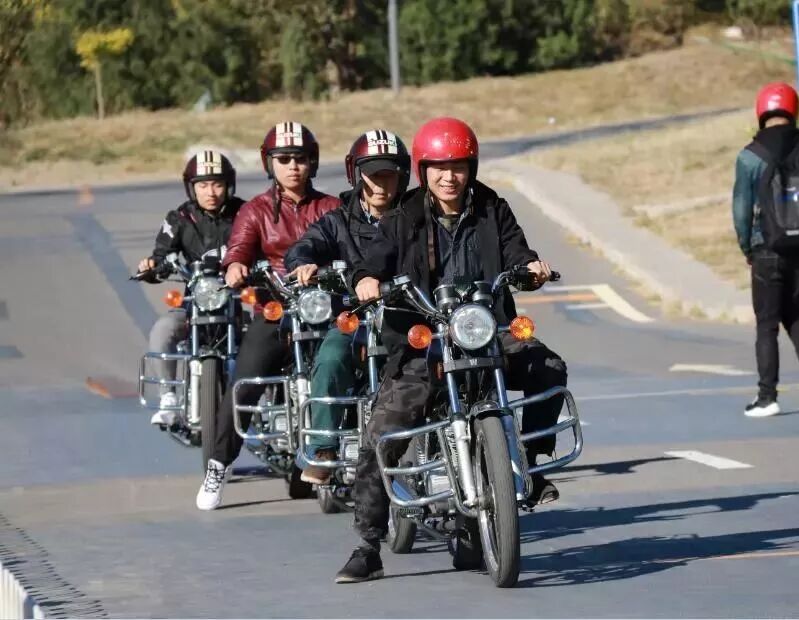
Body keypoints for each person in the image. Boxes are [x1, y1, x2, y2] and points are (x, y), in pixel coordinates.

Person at [334, 117, 567, 584]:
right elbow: (372, 261)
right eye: (439, 167)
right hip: (424, 339)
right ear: (423, 170)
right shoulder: (403, 216)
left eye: (458, 166)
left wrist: (531, 268)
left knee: (549, 367)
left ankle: (531, 463)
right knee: (380, 432)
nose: (449, 177)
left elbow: (516, 252)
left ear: (471, 167)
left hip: (486, 328)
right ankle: (367, 546)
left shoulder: (492, 207)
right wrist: (366, 280)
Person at [196, 122, 340, 511]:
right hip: (275, 310)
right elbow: (239, 248)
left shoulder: (331, 207)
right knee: (243, 384)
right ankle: (218, 465)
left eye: (300, 159)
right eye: (284, 159)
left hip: (323, 311)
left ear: (312, 162)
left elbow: (352, 245)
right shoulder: (255, 210)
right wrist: (235, 267)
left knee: (354, 371)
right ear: (269, 163)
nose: (293, 166)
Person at [284, 129, 412, 484]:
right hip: (355, 318)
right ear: (356, 175)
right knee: (330, 357)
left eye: (390, 174)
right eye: (373, 175)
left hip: (406, 316)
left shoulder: (416, 215)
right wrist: (304, 263)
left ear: (403, 175)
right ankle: (323, 449)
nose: (382, 184)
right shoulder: (338, 221)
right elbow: (304, 246)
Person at [732, 82, 799, 418]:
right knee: (792, 311)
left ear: (762, 112)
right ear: (793, 111)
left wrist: (747, 247)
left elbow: (741, 209)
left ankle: (767, 397)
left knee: (767, 323)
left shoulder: (750, 156)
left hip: (767, 249)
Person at [136, 150, 242, 426]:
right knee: (163, 329)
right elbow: (161, 256)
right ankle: (169, 397)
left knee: (268, 335)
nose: (211, 192)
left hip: (237, 302)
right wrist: (152, 267)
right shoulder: (180, 218)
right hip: (193, 304)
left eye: (217, 184)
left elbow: (264, 247)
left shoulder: (245, 213)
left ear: (228, 185)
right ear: (191, 187)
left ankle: (265, 407)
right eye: (203, 185)